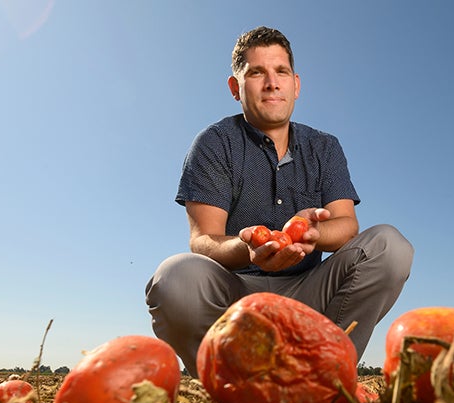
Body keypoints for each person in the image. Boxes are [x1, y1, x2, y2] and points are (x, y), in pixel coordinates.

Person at [146, 26, 413, 377]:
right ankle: (227, 383)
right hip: (236, 294)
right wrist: (249, 247)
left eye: (281, 72)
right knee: (174, 277)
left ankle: (326, 375)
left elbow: (347, 226)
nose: (272, 83)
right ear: (235, 88)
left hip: (311, 292)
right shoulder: (214, 143)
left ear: (296, 85)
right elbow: (203, 240)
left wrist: (314, 234)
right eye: (257, 73)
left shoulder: (324, 147)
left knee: (389, 247)